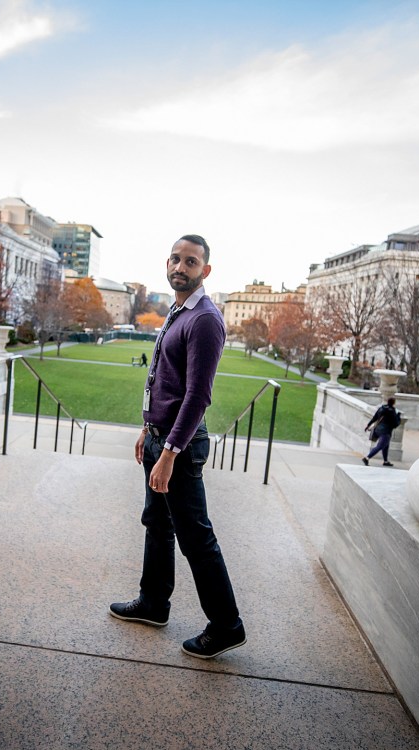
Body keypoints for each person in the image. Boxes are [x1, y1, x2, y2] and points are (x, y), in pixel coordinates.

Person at [109, 235, 246, 659]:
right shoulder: (179, 308)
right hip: (158, 437)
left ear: (205, 270)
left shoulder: (205, 319)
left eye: (191, 261)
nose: (180, 267)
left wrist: (168, 453)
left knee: (196, 538)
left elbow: (197, 396)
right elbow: (163, 378)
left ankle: (226, 625)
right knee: (156, 522)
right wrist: (146, 429)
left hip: (179, 447)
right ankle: (153, 603)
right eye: (175, 258)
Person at [362, 397, 401, 467]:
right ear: (393, 403)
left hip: (378, 429)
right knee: (380, 446)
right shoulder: (392, 411)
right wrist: (398, 416)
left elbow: (375, 417)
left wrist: (368, 425)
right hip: (386, 431)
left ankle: (385, 461)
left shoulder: (382, 408)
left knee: (385, 445)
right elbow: (395, 424)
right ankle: (366, 458)